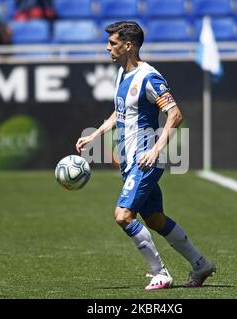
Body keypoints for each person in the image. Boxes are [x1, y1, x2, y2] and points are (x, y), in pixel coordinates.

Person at [76, 21, 216, 290]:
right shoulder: (121, 75)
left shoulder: (149, 78)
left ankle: (160, 272)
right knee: (155, 220)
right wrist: (95, 135)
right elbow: (121, 113)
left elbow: (175, 114)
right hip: (131, 162)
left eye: (113, 43)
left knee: (123, 215)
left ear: (128, 46)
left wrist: (155, 150)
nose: (108, 48)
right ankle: (201, 264)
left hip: (145, 159)